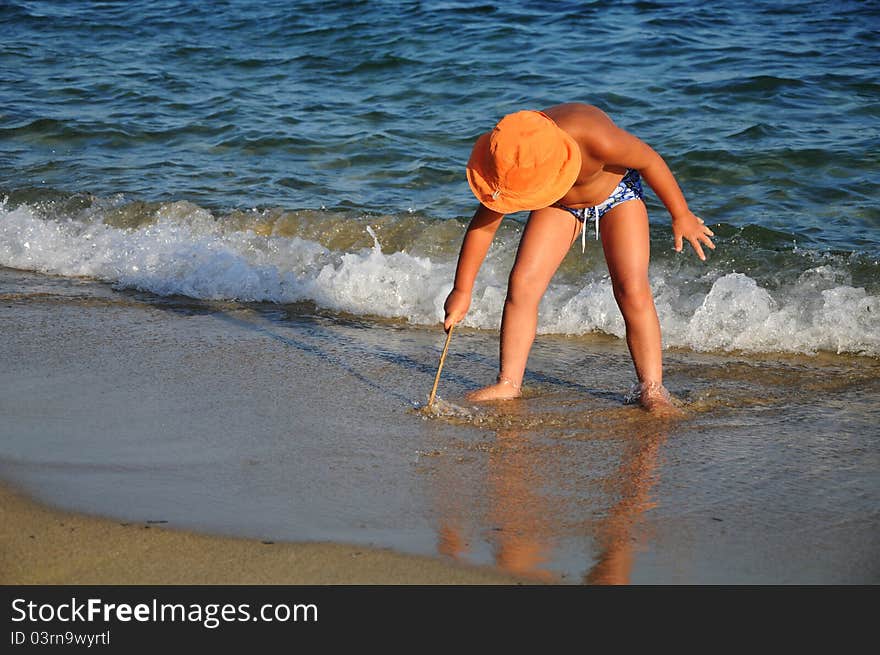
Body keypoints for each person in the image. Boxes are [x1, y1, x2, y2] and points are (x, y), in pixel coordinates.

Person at [443, 103, 715, 411]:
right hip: (558, 203)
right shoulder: (514, 158)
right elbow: (483, 226)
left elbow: (650, 160)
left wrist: (681, 214)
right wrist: (462, 290)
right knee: (522, 285)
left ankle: (652, 388)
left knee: (631, 288)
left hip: (617, 194)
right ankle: (508, 383)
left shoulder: (595, 138)